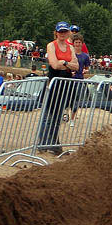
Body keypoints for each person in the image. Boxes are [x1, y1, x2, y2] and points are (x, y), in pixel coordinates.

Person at [38, 21, 78, 153]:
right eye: (60, 32)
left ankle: (53, 141)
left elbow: (76, 66)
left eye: (65, 31)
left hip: (65, 83)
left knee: (57, 115)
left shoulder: (70, 47)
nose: (62, 34)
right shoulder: (51, 45)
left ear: (68, 33)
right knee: (49, 114)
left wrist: (65, 63)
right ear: (56, 33)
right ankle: (44, 142)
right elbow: (54, 65)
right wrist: (68, 65)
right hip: (54, 82)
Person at [69, 33, 90, 126]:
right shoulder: (69, 53)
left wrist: (85, 71)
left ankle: (72, 119)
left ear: (82, 44)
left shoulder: (85, 56)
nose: (77, 44)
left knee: (76, 100)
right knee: (66, 98)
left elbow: (87, 68)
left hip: (79, 79)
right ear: (73, 43)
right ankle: (65, 114)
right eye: (76, 42)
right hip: (68, 79)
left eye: (79, 42)